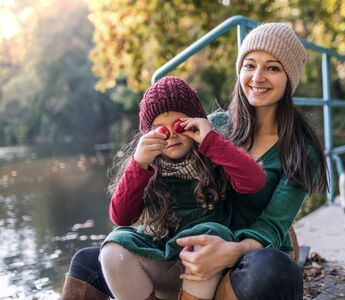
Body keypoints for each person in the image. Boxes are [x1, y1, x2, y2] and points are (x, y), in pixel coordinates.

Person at [60, 22, 327, 300]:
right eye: (250, 65)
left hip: (248, 256)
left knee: (272, 269)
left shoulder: (300, 151)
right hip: (191, 253)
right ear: (240, 71)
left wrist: (229, 252)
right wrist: (141, 164)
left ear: (289, 78)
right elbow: (162, 188)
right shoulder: (214, 127)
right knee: (89, 261)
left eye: (273, 68)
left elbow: (270, 224)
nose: (258, 77)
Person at [99, 76, 266, 300]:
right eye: (161, 130)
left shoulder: (216, 155)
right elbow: (121, 216)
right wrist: (138, 164)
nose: (172, 135)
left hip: (211, 260)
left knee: (205, 236)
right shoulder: (148, 168)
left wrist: (211, 141)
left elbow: (255, 181)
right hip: (165, 258)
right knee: (113, 247)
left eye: (179, 124)